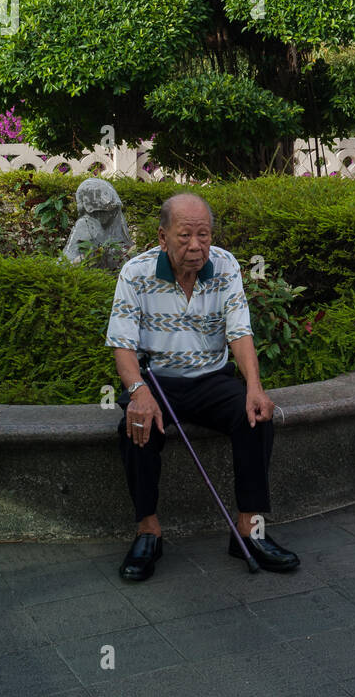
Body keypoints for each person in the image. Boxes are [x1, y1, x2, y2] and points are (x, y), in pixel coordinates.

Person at [106, 192, 299, 581]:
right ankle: (148, 531)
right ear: (162, 238)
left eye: (204, 235)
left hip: (212, 378)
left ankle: (248, 529)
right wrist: (139, 393)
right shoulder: (135, 272)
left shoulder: (225, 265)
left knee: (256, 418)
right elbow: (122, 345)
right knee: (136, 427)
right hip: (158, 380)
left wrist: (254, 388)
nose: (196, 246)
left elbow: (240, 332)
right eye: (184, 236)